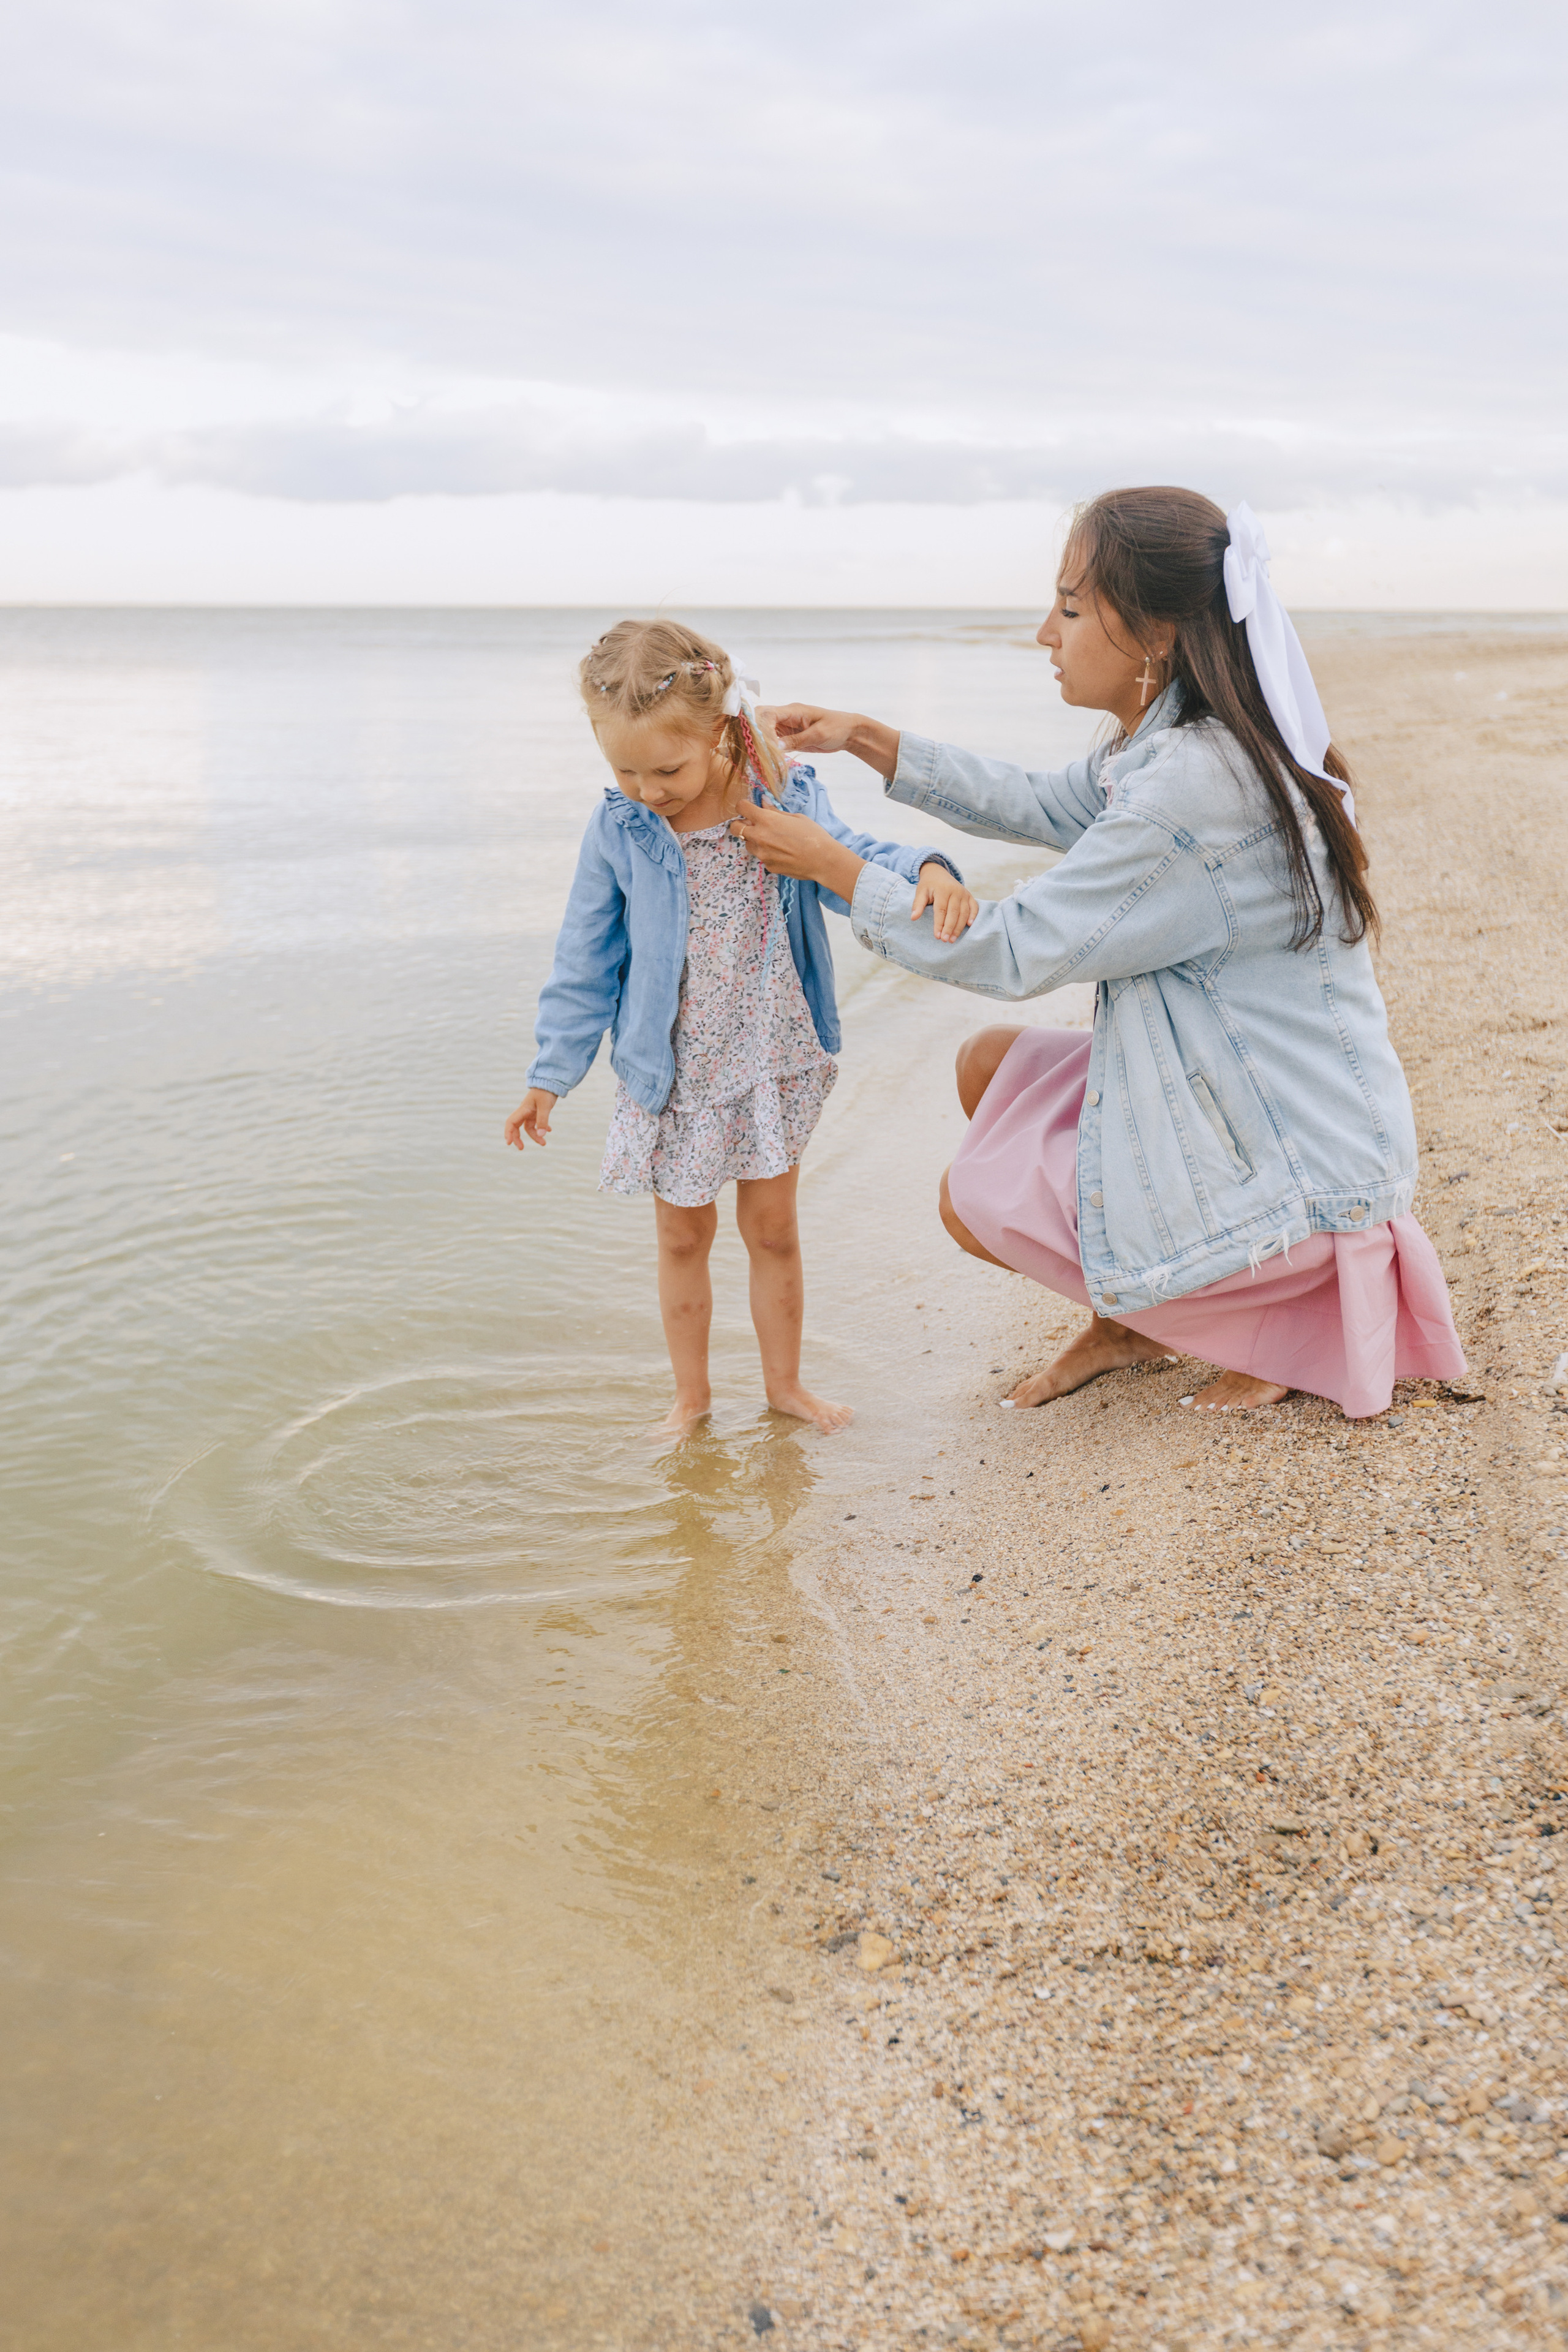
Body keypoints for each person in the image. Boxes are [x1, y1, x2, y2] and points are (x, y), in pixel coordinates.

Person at [734, 487, 1466, 1419]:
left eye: (1072, 609)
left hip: (1301, 1177)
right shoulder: (1179, 743)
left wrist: (836, 870)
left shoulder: (1194, 790)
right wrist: (866, 738)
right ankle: (1137, 1321)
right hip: (1248, 1103)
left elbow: (1012, 950)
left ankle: (1254, 1314)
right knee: (989, 1068)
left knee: (973, 1199)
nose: (1046, 633)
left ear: (1155, 633)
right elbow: (1042, 803)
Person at [504, 619, 978, 1434]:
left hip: (772, 1050)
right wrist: (551, 1075)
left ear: (719, 730)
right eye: (623, 769)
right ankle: (691, 1398)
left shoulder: (781, 796)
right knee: (683, 1237)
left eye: (666, 769)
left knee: (773, 1229)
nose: (648, 789)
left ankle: (785, 1388)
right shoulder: (621, 829)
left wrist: (929, 868)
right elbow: (584, 958)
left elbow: (849, 857)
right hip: (675, 1068)